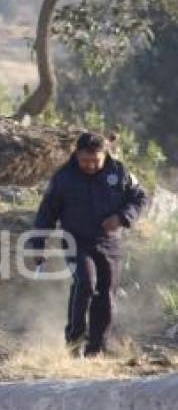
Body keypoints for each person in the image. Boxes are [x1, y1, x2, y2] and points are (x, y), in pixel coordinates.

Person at [31, 132, 148, 357]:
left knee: (106, 293)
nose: (90, 166)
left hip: (110, 243)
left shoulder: (119, 171)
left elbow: (139, 197)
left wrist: (123, 217)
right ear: (76, 155)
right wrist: (38, 244)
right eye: (85, 161)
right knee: (85, 283)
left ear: (105, 155)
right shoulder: (63, 178)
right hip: (76, 240)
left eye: (96, 161)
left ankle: (96, 349)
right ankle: (74, 341)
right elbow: (47, 213)